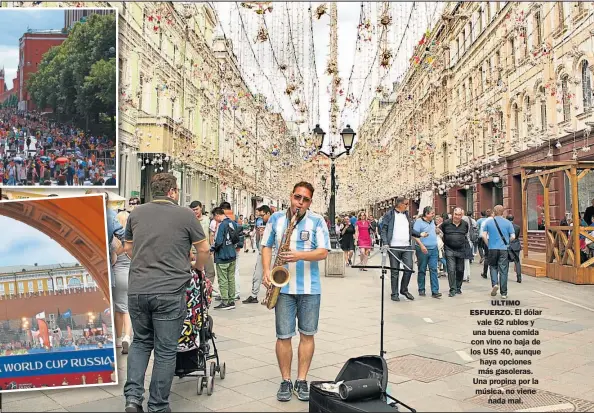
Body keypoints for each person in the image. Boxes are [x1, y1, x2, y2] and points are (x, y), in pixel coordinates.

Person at [123, 173, 209, 413]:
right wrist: (197, 268)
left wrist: (145, 260)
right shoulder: (185, 214)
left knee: (140, 343)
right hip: (170, 290)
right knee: (165, 349)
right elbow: (204, 249)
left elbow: (128, 248)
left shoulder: (136, 213)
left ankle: (132, 399)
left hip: (138, 289)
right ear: (172, 191)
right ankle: (158, 405)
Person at [261, 181, 330, 402]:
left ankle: (301, 380)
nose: (300, 202)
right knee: (283, 336)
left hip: (310, 288)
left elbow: (323, 252)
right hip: (282, 288)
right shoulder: (276, 219)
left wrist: (299, 255)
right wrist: (265, 271)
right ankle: (285, 380)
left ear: (310, 201)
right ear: (291, 196)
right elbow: (266, 245)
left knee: (307, 334)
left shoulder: (317, 220)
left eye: (305, 199)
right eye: (297, 197)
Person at [380, 197, 428, 302]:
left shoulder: (406, 214)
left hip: (406, 246)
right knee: (395, 271)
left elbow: (410, 229)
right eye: (406, 204)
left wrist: (420, 234)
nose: (407, 206)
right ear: (399, 204)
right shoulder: (389, 214)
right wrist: (385, 243)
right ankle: (394, 293)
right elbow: (383, 230)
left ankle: (404, 289)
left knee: (409, 268)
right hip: (393, 246)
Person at [111, 211, 133, 355]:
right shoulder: (133, 239)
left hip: (117, 276)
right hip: (131, 275)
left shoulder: (114, 241)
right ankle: (127, 336)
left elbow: (112, 261)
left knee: (118, 309)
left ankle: (118, 339)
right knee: (128, 309)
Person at [482, 205, 515, 299]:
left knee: (493, 266)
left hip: (492, 248)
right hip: (504, 249)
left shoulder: (489, 222)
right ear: (503, 212)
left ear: (494, 212)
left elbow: (484, 236)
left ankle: (495, 284)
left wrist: (489, 244)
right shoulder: (508, 223)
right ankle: (504, 292)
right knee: (503, 270)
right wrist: (507, 242)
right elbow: (513, 236)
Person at [243, 205, 272, 304]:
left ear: (268, 213)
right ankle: (254, 295)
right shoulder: (260, 222)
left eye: (262, 215)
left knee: (270, 276)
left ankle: (271, 296)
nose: (261, 218)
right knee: (257, 275)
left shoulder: (275, 223)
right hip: (261, 252)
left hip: (271, 253)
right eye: (259, 216)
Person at [211, 207, 239, 310]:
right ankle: (231, 300)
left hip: (222, 256)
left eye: (214, 217)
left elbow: (218, 241)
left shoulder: (221, 225)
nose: (214, 219)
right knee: (231, 278)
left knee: (223, 280)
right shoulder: (232, 223)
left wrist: (212, 249)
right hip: (232, 255)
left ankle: (225, 301)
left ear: (217, 215)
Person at [413, 206, 441, 298]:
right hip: (422, 249)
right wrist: (421, 246)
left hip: (434, 249)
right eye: (432, 213)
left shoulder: (432, 221)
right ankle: (421, 289)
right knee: (422, 269)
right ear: (426, 214)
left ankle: (435, 291)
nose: (433, 215)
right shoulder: (418, 222)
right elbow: (415, 235)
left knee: (433, 269)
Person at [440, 208, 469, 297]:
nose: (457, 216)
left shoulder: (465, 224)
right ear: (453, 214)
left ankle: (458, 287)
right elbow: (441, 232)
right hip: (449, 249)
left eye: (459, 215)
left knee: (460, 270)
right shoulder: (446, 223)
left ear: (462, 215)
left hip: (461, 249)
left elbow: (466, 234)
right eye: (455, 214)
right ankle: (452, 289)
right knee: (451, 269)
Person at [220, 201, 244, 300]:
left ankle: (232, 293)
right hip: (235, 248)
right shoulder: (236, 217)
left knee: (229, 272)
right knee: (234, 270)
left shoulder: (226, 218)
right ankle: (233, 293)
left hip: (229, 248)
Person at [190, 200, 216, 285]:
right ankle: (197, 290)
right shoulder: (189, 221)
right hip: (194, 252)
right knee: (196, 273)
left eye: (196, 209)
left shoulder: (207, 220)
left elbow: (211, 234)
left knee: (210, 272)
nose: (195, 211)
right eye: (193, 210)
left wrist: (212, 248)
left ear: (201, 208)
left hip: (206, 251)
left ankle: (208, 289)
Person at [507, 215, 522, 283]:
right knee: (517, 261)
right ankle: (519, 277)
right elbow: (517, 236)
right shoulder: (517, 227)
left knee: (505, 261)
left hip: (508, 245)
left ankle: (505, 276)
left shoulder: (506, 227)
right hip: (516, 245)